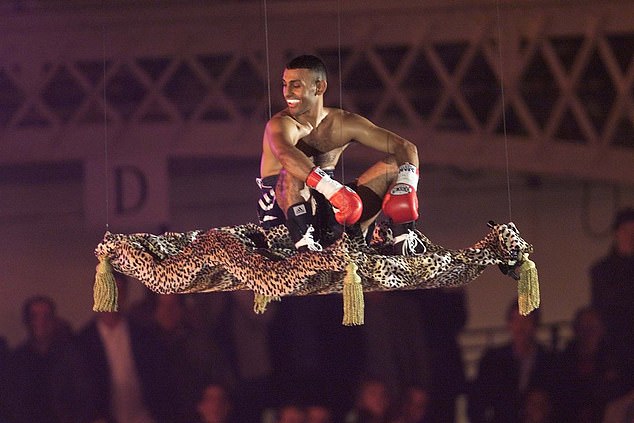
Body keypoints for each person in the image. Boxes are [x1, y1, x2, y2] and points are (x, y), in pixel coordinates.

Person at [258, 54, 424, 255]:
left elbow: (405, 147)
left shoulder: (342, 122)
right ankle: (305, 248)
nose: (287, 93)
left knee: (397, 164)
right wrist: (332, 190)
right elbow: (285, 153)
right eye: (285, 85)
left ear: (319, 87)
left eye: (296, 85)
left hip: (331, 215)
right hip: (284, 220)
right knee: (291, 168)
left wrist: (407, 186)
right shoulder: (281, 124)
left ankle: (405, 239)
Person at [73, 274, 180, 423]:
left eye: (118, 290)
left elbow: (160, 380)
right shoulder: (81, 343)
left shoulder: (144, 336)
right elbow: (77, 390)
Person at [467, 298, 557, 423]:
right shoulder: (493, 360)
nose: (521, 327)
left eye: (526, 321)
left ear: (535, 325)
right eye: (516, 321)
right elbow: (477, 403)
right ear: (509, 324)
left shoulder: (549, 362)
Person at [4, 295, 73, 423]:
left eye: (46, 316)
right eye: (35, 317)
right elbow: (11, 404)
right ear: (27, 321)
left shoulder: (71, 358)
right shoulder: (16, 360)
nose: (41, 322)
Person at [589, 207, 634, 395]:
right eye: (627, 231)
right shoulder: (602, 271)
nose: (630, 237)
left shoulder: (602, 271)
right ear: (617, 233)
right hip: (616, 349)